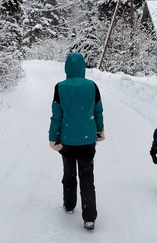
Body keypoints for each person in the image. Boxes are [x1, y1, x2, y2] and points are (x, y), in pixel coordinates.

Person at [48, 53, 105, 230]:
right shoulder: (92, 86)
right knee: (87, 176)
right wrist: (100, 130)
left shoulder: (60, 87)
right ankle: (89, 217)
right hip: (87, 139)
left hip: (67, 140)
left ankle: (69, 204)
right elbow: (98, 111)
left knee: (69, 173)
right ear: (83, 67)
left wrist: (52, 138)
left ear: (66, 68)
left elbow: (56, 116)